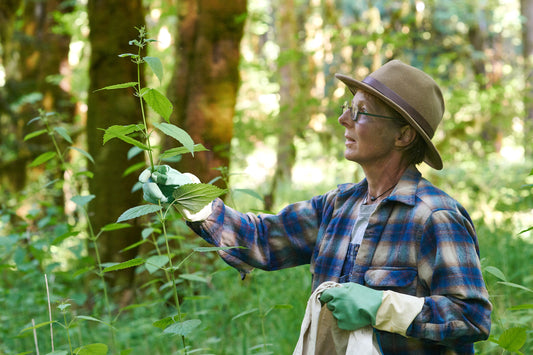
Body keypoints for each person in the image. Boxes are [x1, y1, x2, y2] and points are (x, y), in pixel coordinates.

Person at [139, 60, 492, 354]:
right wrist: (191, 197)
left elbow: (471, 317)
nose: (344, 120)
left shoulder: (434, 217)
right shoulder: (338, 205)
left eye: (361, 113)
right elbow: (262, 240)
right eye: (347, 108)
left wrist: (382, 307)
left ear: (403, 136)